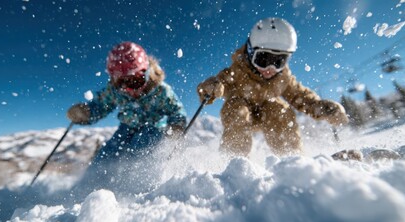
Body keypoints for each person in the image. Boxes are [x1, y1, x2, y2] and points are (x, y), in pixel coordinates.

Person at [197, 18, 348, 157]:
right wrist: (210, 88)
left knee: (279, 109)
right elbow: (219, 83)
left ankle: (291, 157)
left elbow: (301, 96)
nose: (269, 68)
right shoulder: (237, 71)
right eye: (263, 59)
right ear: (250, 52)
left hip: (268, 115)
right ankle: (234, 160)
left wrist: (322, 108)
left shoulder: (283, 77)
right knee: (236, 109)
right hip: (241, 113)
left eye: (279, 61)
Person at [67, 41, 187, 193]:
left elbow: (177, 111)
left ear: (147, 72)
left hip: (154, 128)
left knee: (139, 148)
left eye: (136, 81)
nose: (128, 89)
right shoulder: (115, 91)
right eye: (121, 83)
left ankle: (134, 189)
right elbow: (100, 106)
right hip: (126, 129)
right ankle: (87, 189)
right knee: (107, 154)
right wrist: (86, 113)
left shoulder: (161, 91)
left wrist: (176, 127)